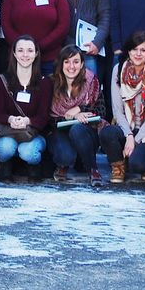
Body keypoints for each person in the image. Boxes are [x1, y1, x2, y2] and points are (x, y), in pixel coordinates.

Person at [99, 31, 145, 183]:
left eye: (143, 50)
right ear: (128, 50)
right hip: (125, 127)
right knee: (107, 133)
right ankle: (118, 166)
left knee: (138, 164)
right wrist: (129, 135)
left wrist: (136, 139)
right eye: (134, 49)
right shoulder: (118, 69)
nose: (138, 54)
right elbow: (117, 110)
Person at [0, 36, 53, 182]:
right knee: (5, 149)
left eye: (30, 50)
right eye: (20, 50)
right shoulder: (1, 80)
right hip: (8, 131)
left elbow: (44, 117)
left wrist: (27, 121)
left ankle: (33, 167)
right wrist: (11, 119)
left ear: (36, 53)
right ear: (13, 53)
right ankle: (5, 166)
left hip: (31, 133)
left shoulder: (45, 82)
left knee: (28, 152)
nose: (25, 55)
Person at [1, 0, 70, 75]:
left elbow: (63, 26)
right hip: (20, 61)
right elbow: (6, 26)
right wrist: (23, 50)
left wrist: (37, 47)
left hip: (49, 61)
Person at [49, 45, 107, 187]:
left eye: (76, 62)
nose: (71, 66)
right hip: (60, 130)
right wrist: (71, 117)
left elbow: (101, 111)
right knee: (65, 156)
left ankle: (93, 169)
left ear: (82, 64)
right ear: (61, 63)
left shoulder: (91, 80)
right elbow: (49, 118)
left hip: (84, 133)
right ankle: (65, 163)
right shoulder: (52, 83)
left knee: (77, 129)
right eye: (67, 62)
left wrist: (80, 109)